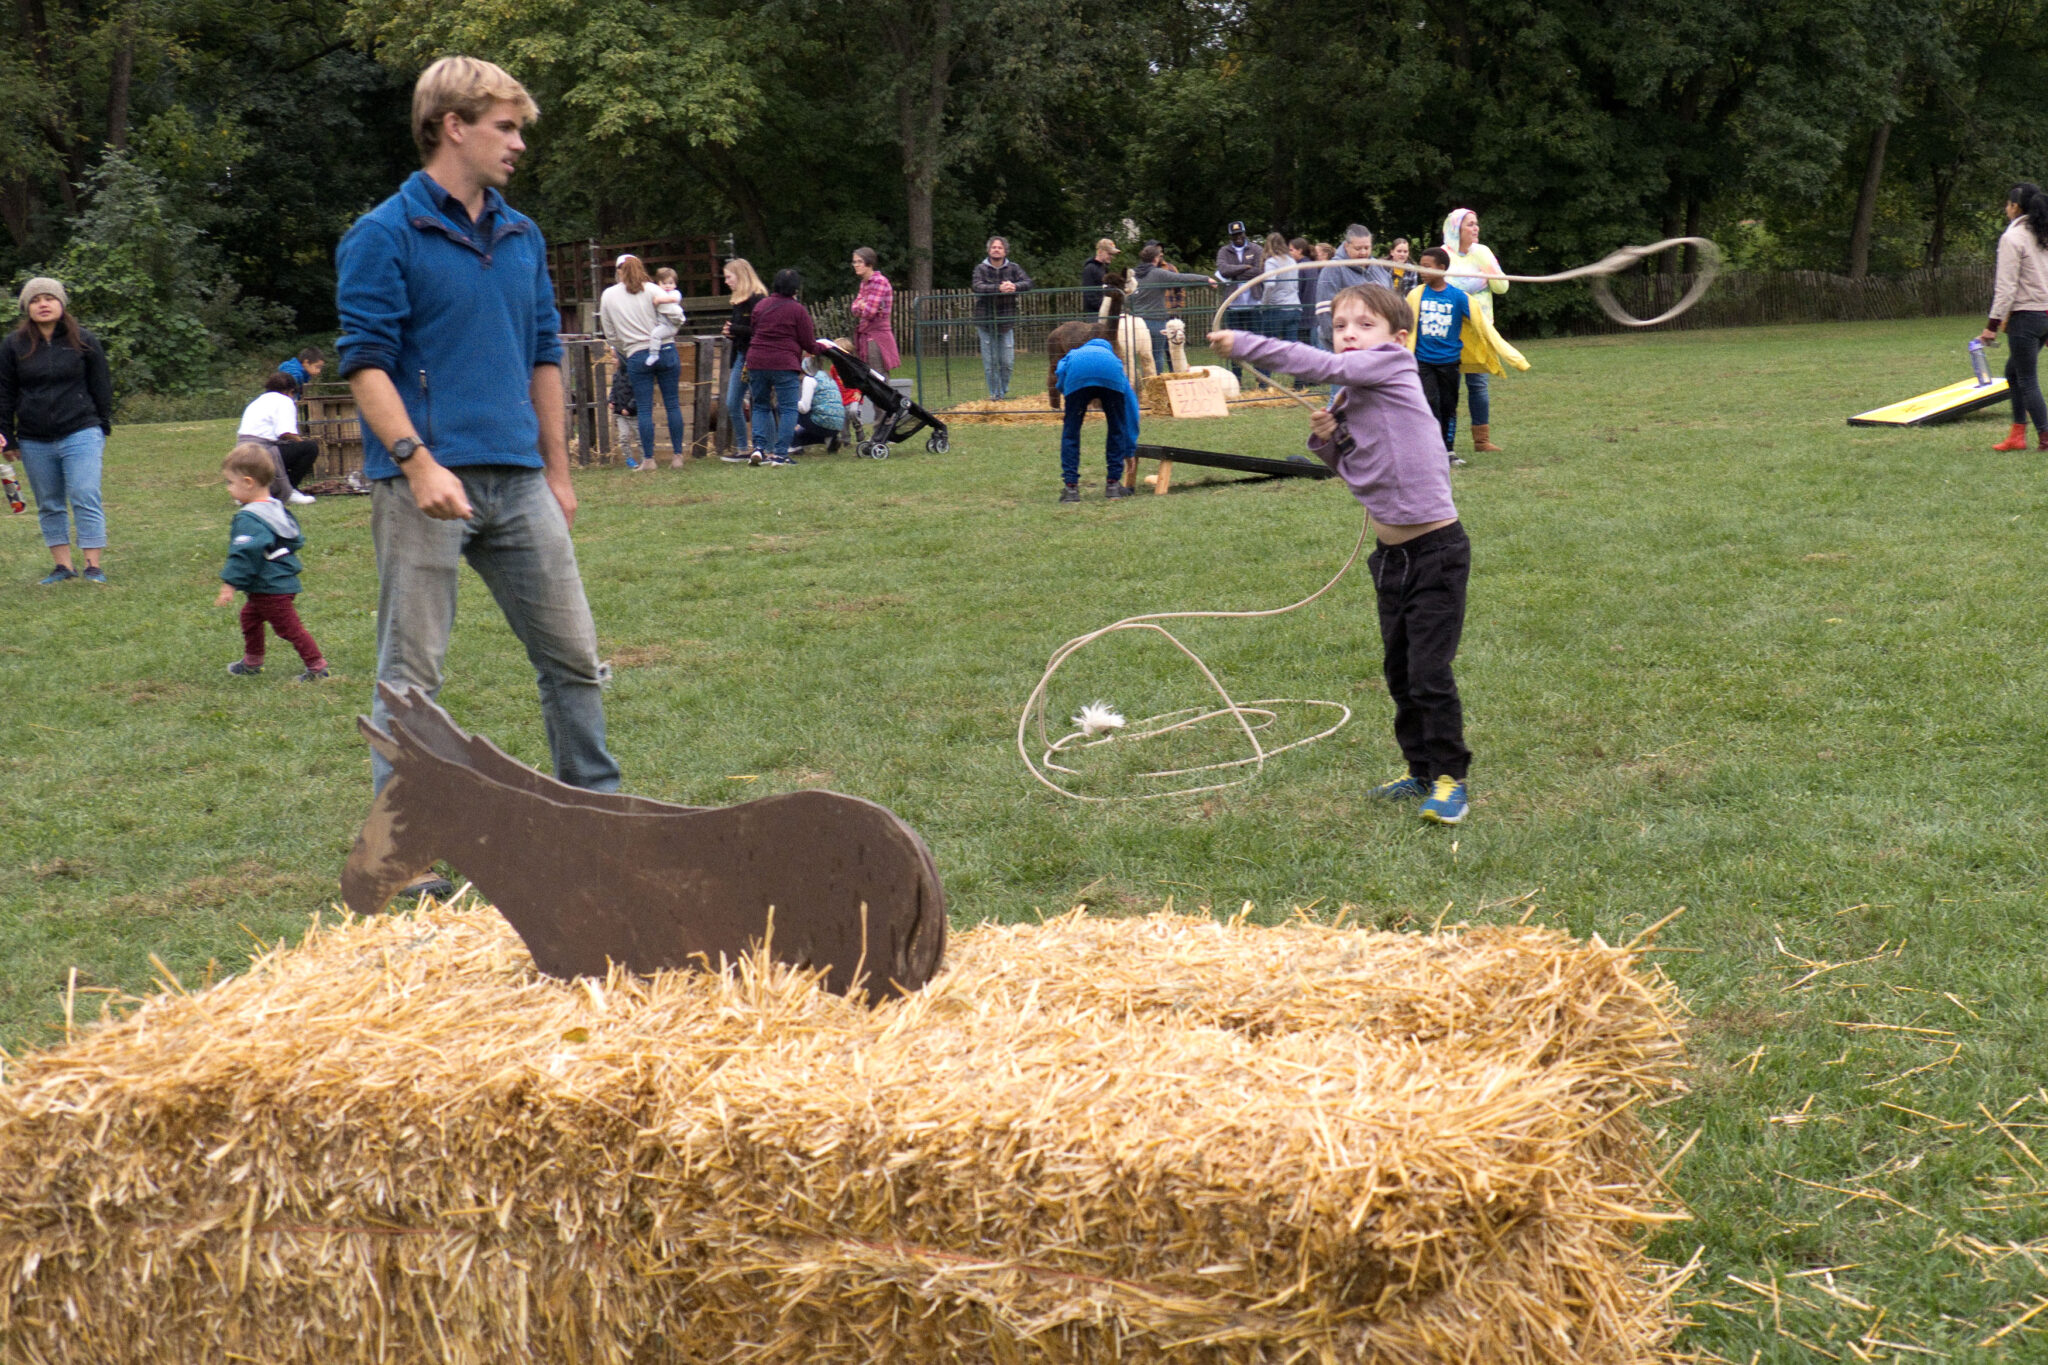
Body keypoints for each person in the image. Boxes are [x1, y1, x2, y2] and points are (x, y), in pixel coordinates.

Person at [336, 53, 621, 829]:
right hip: (423, 486)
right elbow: (364, 365)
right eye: (506, 127)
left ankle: (596, 816)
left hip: (521, 481)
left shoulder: (522, 235)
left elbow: (543, 356)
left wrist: (559, 473)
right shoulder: (381, 235)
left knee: (574, 659)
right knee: (410, 676)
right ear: (452, 127)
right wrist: (415, 462)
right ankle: (403, 849)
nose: (519, 143)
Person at [1207, 282, 1472, 825]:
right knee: (1399, 672)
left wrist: (1244, 343)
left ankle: (1450, 779)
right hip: (1391, 557)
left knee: (1428, 673)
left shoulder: (1393, 367)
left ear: (1398, 338)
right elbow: (1358, 473)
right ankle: (1418, 771)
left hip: (1436, 554)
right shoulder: (1353, 394)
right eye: (1341, 327)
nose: (1350, 335)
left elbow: (1320, 363)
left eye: (1364, 325)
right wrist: (1330, 440)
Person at [0, 277, 113, 584]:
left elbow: (101, 385)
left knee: (84, 493)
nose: (43, 304)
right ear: (27, 308)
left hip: (81, 430)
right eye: (36, 300)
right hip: (35, 438)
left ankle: (92, 565)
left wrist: (102, 425)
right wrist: (6, 435)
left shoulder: (85, 340)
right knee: (49, 502)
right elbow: (5, 392)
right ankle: (63, 566)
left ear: (61, 304)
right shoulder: (13, 345)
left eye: (50, 298)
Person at [215, 442, 329, 681]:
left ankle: (317, 667)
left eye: (230, 482)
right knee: (250, 618)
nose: (228, 488)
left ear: (248, 482)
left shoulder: (249, 518)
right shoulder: (276, 507)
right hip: (277, 582)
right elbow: (295, 538)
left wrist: (230, 583)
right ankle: (252, 661)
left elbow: (245, 552)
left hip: (270, 587)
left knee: (288, 629)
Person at [598, 253, 684, 469]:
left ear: (619, 271)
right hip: (665, 349)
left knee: (644, 408)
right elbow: (677, 316)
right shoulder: (653, 289)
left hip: (636, 353)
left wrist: (624, 346)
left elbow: (609, 333)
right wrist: (667, 330)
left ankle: (649, 459)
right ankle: (677, 457)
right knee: (672, 403)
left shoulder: (608, 295)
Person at [1983, 182, 2048, 452]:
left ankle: (2044, 437)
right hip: (2045, 315)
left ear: (2015, 207)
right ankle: (2017, 433)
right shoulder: (2042, 234)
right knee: (2013, 372)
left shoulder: (2013, 238)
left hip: (2026, 317)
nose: (2005, 208)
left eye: (2007, 204)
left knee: (2026, 379)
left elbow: (2006, 287)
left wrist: (1991, 326)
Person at [1442, 209, 1509, 454]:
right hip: (1452, 330)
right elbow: (1446, 287)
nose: (1476, 228)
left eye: (1476, 224)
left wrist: (1488, 270)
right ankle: (1444, 443)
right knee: (1449, 387)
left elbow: (1502, 287)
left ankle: (1481, 441)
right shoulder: (1443, 255)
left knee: (1479, 385)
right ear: (1456, 228)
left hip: (1481, 328)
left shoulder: (1483, 252)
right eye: (1470, 224)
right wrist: (1476, 282)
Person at [745, 268, 825, 466]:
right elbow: (808, 342)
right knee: (789, 409)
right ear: (795, 288)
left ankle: (758, 448)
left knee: (761, 405)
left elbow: (754, 331)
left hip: (757, 361)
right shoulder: (797, 310)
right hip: (784, 363)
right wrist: (824, 347)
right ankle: (780, 454)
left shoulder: (761, 305)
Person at [1053, 333, 1139, 503]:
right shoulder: (1113, 360)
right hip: (1111, 379)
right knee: (1116, 428)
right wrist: (1130, 450)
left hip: (1077, 380)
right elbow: (1131, 408)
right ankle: (1113, 485)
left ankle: (1071, 489)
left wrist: (1067, 392)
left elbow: (1060, 371)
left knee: (1071, 432)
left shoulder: (1074, 354)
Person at [1409, 247, 1470, 458]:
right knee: (1429, 404)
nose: (1422, 271)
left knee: (1448, 406)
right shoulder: (1416, 295)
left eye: (1427, 267)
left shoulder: (1458, 297)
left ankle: (1448, 450)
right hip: (1423, 361)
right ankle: (1431, 450)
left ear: (1442, 269)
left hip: (1450, 362)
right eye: (1420, 266)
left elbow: (1478, 323)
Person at [1128, 243, 1221, 376]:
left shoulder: (1133, 275)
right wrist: (1206, 279)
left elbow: (1127, 297)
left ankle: (1139, 387)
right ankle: (1154, 385)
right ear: (1155, 258)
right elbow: (1181, 278)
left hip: (1136, 323)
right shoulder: (1158, 273)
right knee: (1157, 355)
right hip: (1156, 321)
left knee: (1139, 358)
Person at [237, 372, 320, 505]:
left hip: (241, 452)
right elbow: (285, 432)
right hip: (261, 451)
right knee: (309, 448)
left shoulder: (258, 401)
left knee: (286, 450)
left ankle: (251, 492)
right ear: (291, 391)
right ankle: (289, 490)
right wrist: (301, 441)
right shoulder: (285, 401)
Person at [971, 236, 1032, 400]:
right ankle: (994, 395)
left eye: (999, 247)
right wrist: (998, 288)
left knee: (1007, 362)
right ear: (989, 250)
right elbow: (977, 286)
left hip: (1006, 321)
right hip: (985, 321)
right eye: (993, 247)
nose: (996, 250)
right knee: (990, 362)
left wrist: (1014, 286)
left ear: (1005, 251)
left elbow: (1028, 282)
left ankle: (1003, 391)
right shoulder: (981, 268)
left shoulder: (1014, 268)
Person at [718, 258, 766, 462]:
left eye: (729, 277)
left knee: (760, 402)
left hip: (755, 356)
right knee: (732, 402)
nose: (726, 281)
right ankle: (742, 447)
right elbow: (741, 331)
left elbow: (761, 331)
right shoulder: (738, 300)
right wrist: (731, 333)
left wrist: (735, 330)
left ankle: (765, 446)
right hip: (740, 355)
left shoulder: (758, 298)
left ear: (741, 275)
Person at [1315, 226, 1393, 346]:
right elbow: (1324, 311)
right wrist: (1338, 341)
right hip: (1343, 345)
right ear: (1347, 246)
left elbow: (1391, 305)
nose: (1363, 252)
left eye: (1367, 248)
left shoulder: (1379, 269)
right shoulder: (1332, 269)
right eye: (1358, 248)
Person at [1215, 220, 1266, 377]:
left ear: (1245, 233)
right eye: (1234, 235)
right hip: (1233, 306)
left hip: (1254, 303)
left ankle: (1261, 380)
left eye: (1240, 234)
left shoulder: (1257, 249)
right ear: (1230, 236)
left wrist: (1234, 273)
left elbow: (1260, 270)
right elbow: (1223, 270)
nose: (1238, 237)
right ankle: (1237, 378)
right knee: (1233, 344)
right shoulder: (1224, 251)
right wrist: (1245, 267)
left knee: (1257, 343)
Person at [848, 248, 899, 373]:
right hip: (866, 334)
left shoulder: (879, 281)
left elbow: (869, 312)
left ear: (869, 263)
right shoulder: (864, 283)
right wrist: (863, 306)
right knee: (869, 378)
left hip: (877, 336)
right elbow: (854, 310)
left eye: (860, 261)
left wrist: (863, 305)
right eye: (854, 262)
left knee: (878, 378)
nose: (856, 265)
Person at [790, 348, 846, 452]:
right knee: (801, 433)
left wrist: (790, 402)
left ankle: (794, 444)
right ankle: (829, 438)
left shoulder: (810, 379)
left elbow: (804, 408)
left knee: (785, 407)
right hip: (837, 425)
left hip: (821, 423)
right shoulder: (828, 377)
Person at [644, 266, 686, 368]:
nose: (667, 286)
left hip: (670, 325)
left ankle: (654, 354)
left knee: (655, 335)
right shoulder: (658, 293)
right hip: (662, 323)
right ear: (658, 284)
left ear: (675, 284)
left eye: (670, 283)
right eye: (664, 283)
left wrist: (659, 300)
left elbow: (673, 299)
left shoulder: (675, 293)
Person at [1291, 238, 1319, 349]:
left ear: (1299, 251)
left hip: (1302, 314)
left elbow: (1298, 290)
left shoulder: (1300, 267)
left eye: (1291, 250)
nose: (1289, 253)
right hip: (1312, 313)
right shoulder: (1313, 265)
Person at [1080, 238, 1119, 314]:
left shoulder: (1104, 268)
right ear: (1100, 252)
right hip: (1094, 314)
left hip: (1104, 312)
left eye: (1112, 254)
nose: (1111, 257)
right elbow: (1089, 294)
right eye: (1109, 253)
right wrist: (1103, 307)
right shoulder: (1090, 268)